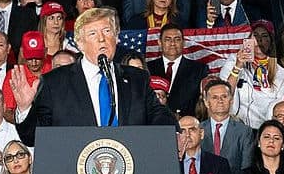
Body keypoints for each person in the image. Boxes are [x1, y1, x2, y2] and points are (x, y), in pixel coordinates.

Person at [13, 8, 176, 145]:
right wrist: (26, 109)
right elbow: (33, 137)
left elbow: (159, 115)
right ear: (80, 43)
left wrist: (175, 132)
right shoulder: (55, 82)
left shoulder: (137, 79)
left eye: (107, 31)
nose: (101, 38)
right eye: (92, 33)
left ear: (117, 37)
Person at [217, 20, 284, 128]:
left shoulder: (280, 73)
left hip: (265, 128)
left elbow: (278, 106)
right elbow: (224, 94)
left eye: (264, 36)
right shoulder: (233, 60)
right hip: (236, 126)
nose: (259, 40)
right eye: (255, 35)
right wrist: (238, 66)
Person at [147, 23, 208, 117]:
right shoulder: (147, 68)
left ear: (183, 42)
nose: (172, 43)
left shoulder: (198, 69)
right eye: (167, 39)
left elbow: (201, 103)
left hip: (186, 125)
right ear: (159, 42)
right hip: (155, 124)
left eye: (177, 39)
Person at [199, 78, 254, 174]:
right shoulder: (198, 129)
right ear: (206, 102)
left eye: (224, 96)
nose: (220, 101)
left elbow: (247, 168)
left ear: (231, 100)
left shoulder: (244, 131)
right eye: (215, 97)